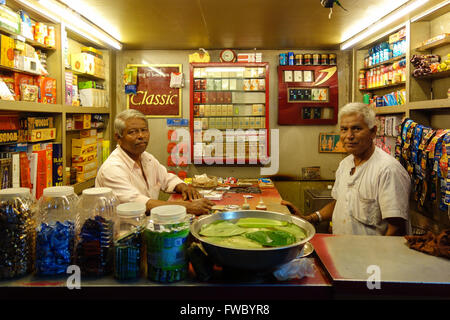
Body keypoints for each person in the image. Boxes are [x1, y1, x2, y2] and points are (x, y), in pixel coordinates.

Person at [282, 102, 411, 236]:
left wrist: (378, 257)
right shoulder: (345, 164)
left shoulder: (388, 170)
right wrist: (309, 219)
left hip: (371, 255)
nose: (349, 136)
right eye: (344, 129)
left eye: (356, 129)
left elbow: (396, 228)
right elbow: (341, 203)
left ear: (373, 132)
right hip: (342, 250)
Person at [95, 109, 214, 215]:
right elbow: (139, 204)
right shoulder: (112, 169)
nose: (141, 136)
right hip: (120, 233)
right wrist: (187, 207)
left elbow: (166, 178)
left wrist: (184, 187)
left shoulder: (147, 158)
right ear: (118, 137)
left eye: (144, 130)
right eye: (132, 132)